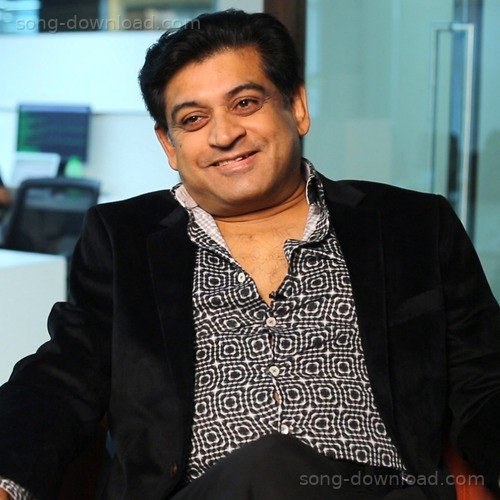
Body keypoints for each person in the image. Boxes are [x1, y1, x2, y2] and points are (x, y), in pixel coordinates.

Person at [0, 9, 499, 500]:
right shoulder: (122, 239)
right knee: (268, 467)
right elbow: (59, 382)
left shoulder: (412, 225)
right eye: (193, 119)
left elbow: (486, 384)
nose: (224, 135)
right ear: (169, 145)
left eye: (244, 103)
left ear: (297, 106)